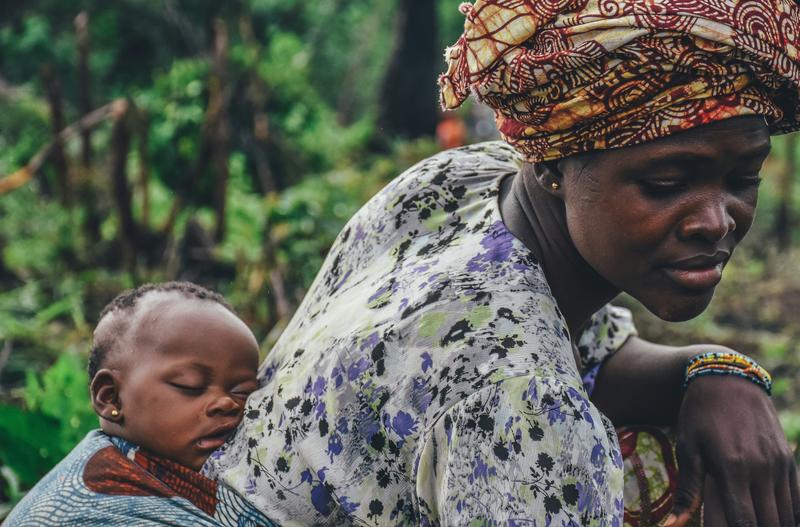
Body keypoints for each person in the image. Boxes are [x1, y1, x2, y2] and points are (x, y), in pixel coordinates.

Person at [203, 0, 800, 525]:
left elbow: (587, 353)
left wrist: (717, 369)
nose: (716, 220)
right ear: (550, 167)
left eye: (744, 178)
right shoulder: (525, 408)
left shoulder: (460, 184)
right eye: (667, 182)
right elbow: (526, 374)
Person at [4, 282, 276, 526]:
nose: (226, 403)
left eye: (242, 391)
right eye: (189, 385)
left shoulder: (158, 471)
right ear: (110, 397)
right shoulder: (97, 512)